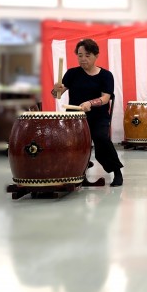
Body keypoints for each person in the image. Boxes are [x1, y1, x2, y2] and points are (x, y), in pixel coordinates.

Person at [52, 39, 124, 187]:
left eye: (87, 55)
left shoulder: (106, 75)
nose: (83, 59)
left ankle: (117, 172)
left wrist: (90, 103)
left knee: (101, 138)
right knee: (67, 141)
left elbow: (106, 98)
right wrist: (56, 89)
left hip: (98, 117)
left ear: (96, 56)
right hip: (74, 117)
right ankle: (77, 170)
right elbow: (57, 95)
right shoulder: (72, 73)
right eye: (80, 55)